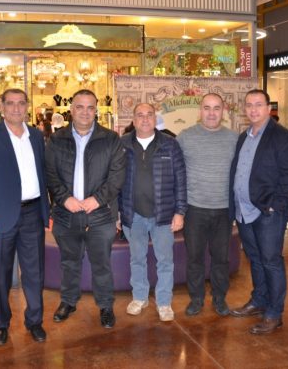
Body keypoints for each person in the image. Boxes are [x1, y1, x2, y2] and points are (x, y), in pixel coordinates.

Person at [0, 88, 50, 345]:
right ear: (1, 106)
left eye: (21, 103)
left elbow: (43, 174)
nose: (16, 108)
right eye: (10, 103)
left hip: (32, 214)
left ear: (27, 106)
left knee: (35, 272)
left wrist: (45, 212)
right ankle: (0, 323)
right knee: (0, 274)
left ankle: (35, 321)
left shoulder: (36, 136)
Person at [45, 89, 126, 329]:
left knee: (102, 264)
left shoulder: (111, 139)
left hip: (100, 215)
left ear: (96, 110)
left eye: (90, 107)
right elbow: (50, 174)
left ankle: (106, 306)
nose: (85, 112)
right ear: (71, 110)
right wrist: (64, 199)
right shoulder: (56, 139)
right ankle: (68, 301)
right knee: (69, 262)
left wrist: (97, 199)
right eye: (80, 107)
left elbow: (117, 177)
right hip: (66, 215)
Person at [229, 89, 288, 335]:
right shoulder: (243, 137)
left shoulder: (283, 137)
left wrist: (274, 205)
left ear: (269, 108)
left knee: (271, 261)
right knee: (255, 258)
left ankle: (274, 313)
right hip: (244, 211)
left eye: (258, 104)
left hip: (267, 213)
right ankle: (259, 300)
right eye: (249, 105)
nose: (253, 109)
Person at [119, 103, 186, 321]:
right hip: (133, 215)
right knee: (137, 259)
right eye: (140, 115)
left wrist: (180, 212)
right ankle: (139, 298)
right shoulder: (122, 144)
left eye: (149, 115)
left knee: (165, 261)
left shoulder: (170, 144)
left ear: (155, 119)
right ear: (134, 120)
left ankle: (164, 302)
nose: (145, 119)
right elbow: (114, 180)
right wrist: (117, 212)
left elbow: (181, 180)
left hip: (163, 215)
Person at [177, 93, 238, 317]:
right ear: (200, 111)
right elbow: (175, 173)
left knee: (221, 259)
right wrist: (178, 210)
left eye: (216, 108)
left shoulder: (234, 139)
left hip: (224, 211)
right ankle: (196, 299)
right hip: (194, 209)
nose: (211, 113)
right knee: (195, 258)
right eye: (207, 108)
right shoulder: (185, 137)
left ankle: (220, 298)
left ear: (223, 111)